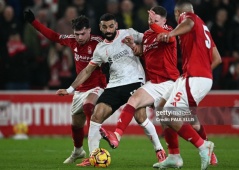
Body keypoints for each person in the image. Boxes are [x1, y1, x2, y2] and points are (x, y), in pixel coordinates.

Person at [56, 13, 166, 166]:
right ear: (100, 28)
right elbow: (87, 71)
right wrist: (70, 89)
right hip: (114, 85)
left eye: (111, 26)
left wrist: (137, 47)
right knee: (96, 115)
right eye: (105, 27)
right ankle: (94, 156)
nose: (108, 29)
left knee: (140, 116)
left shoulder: (129, 33)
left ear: (116, 25)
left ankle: (159, 150)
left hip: (134, 81)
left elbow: (149, 41)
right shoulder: (100, 48)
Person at [24, 10, 107, 164]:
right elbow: (53, 36)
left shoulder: (99, 42)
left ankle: (94, 152)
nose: (80, 38)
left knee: (89, 107)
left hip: (97, 85)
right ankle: (78, 151)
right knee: (76, 125)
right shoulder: (72, 41)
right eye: (77, 34)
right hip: (80, 88)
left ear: (89, 30)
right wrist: (34, 22)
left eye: (83, 34)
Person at [99, 5, 179, 163]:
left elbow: (168, 38)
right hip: (154, 83)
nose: (151, 22)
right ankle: (118, 135)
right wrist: (133, 47)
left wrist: (153, 25)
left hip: (169, 82)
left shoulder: (169, 31)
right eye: (150, 19)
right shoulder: (148, 35)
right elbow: (144, 52)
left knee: (178, 123)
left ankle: (203, 145)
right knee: (135, 104)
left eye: (155, 20)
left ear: (164, 20)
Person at [148, 1, 222, 170]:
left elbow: (186, 23)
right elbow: (217, 58)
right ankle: (174, 156)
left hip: (195, 78)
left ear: (177, 13)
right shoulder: (203, 28)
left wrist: (171, 34)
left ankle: (204, 146)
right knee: (162, 108)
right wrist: (202, 70)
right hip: (192, 77)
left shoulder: (187, 18)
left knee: (169, 114)